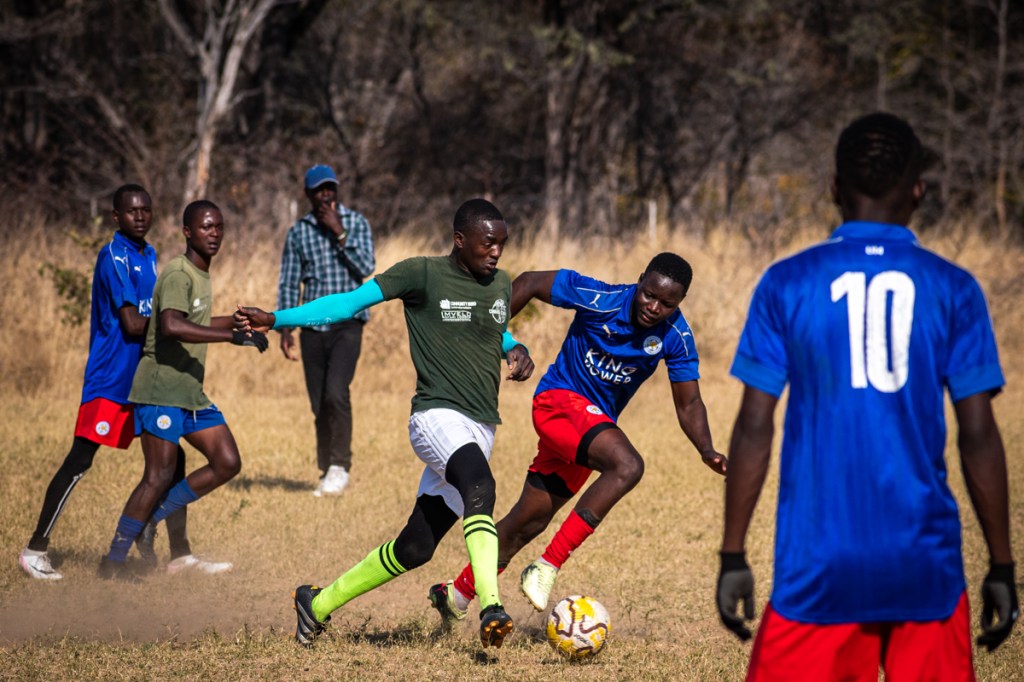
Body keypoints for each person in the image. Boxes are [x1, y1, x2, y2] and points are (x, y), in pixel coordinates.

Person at [717, 112, 1018, 679]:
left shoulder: (787, 282)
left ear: (834, 189)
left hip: (816, 566)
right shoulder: (955, 287)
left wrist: (733, 552)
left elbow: (755, 424)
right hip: (925, 566)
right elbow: (978, 433)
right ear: (918, 191)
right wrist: (1001, 563)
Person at [236, 198, 533, 650]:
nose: (496, 252)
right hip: (436, 416)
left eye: (502, 244)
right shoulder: (421, 274)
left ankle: (316, 603)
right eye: (488, 243)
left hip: (481, 427)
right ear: (460, 240)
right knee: (480, 487)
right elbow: (348, 303)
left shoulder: (500, 284)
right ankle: (491, 606)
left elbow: (491, 327)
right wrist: (278, 319)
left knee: (415, 548)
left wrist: (514, 347)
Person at [427, 253, 728, 622]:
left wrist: (706, 449)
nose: (654, 307)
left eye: (667, 303)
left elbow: (689, 402)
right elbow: (530, 281)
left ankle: (455, 594)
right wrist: (492, 336)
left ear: (680, 302)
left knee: (528, 522)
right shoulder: (601, 299)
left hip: (589, 429)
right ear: (640, 280)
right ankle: (547, 566)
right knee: (628, 465)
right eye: (649, 295)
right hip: (557, 403)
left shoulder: (676, 336)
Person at [18, 184, 210, 580]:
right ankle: (35, 549)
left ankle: (180, 554)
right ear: (116, 216)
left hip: (143, 379)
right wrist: (177, 324)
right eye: (132, 211)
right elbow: (132, 323)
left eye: (146, 209)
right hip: (110, 380)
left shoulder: (149, 254)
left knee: (173, 461)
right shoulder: (113, 256)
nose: (140, 216)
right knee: (79, 461)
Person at [97, 200, 268, 581]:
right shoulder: (178, 272)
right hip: (160, 390)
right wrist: (232, 338)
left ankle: (151, 520)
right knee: (158, 475)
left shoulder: (200, 272)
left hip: (189, 391)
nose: (214, 233)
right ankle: (113, 561)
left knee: (227, 461)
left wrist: (238, 324)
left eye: (219, 227)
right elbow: (172, 325)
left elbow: (198, 320)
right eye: (206, 227)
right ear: (188, 232)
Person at [277, 164, 375, 497]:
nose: (325, 195)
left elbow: (366, 267)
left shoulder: (356, 223)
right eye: (319, 190)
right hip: (311, 326)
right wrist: (285, 327)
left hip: (349, 323)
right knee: (319, 401)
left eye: (330, 188)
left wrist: (339, 232)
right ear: (308, 194)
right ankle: (327, 468)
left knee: (337, 391)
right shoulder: (299, 232)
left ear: (336, 190)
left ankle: (340, 465)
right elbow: (290, 281)